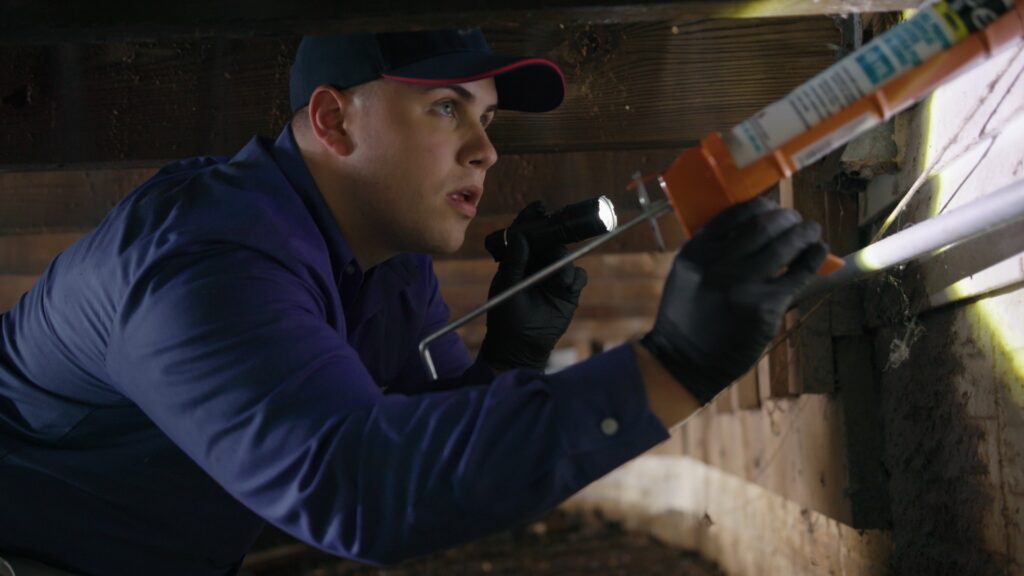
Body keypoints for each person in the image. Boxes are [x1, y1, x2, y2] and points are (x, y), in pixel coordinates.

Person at [0, 29, 826, 576]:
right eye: (446, 108)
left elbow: (416, 440)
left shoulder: (385, 261)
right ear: (334, 119)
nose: (487, 148)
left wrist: (512, 352)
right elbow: (359, 488)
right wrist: (673, 363)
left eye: (488, 116)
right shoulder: (205, 262)